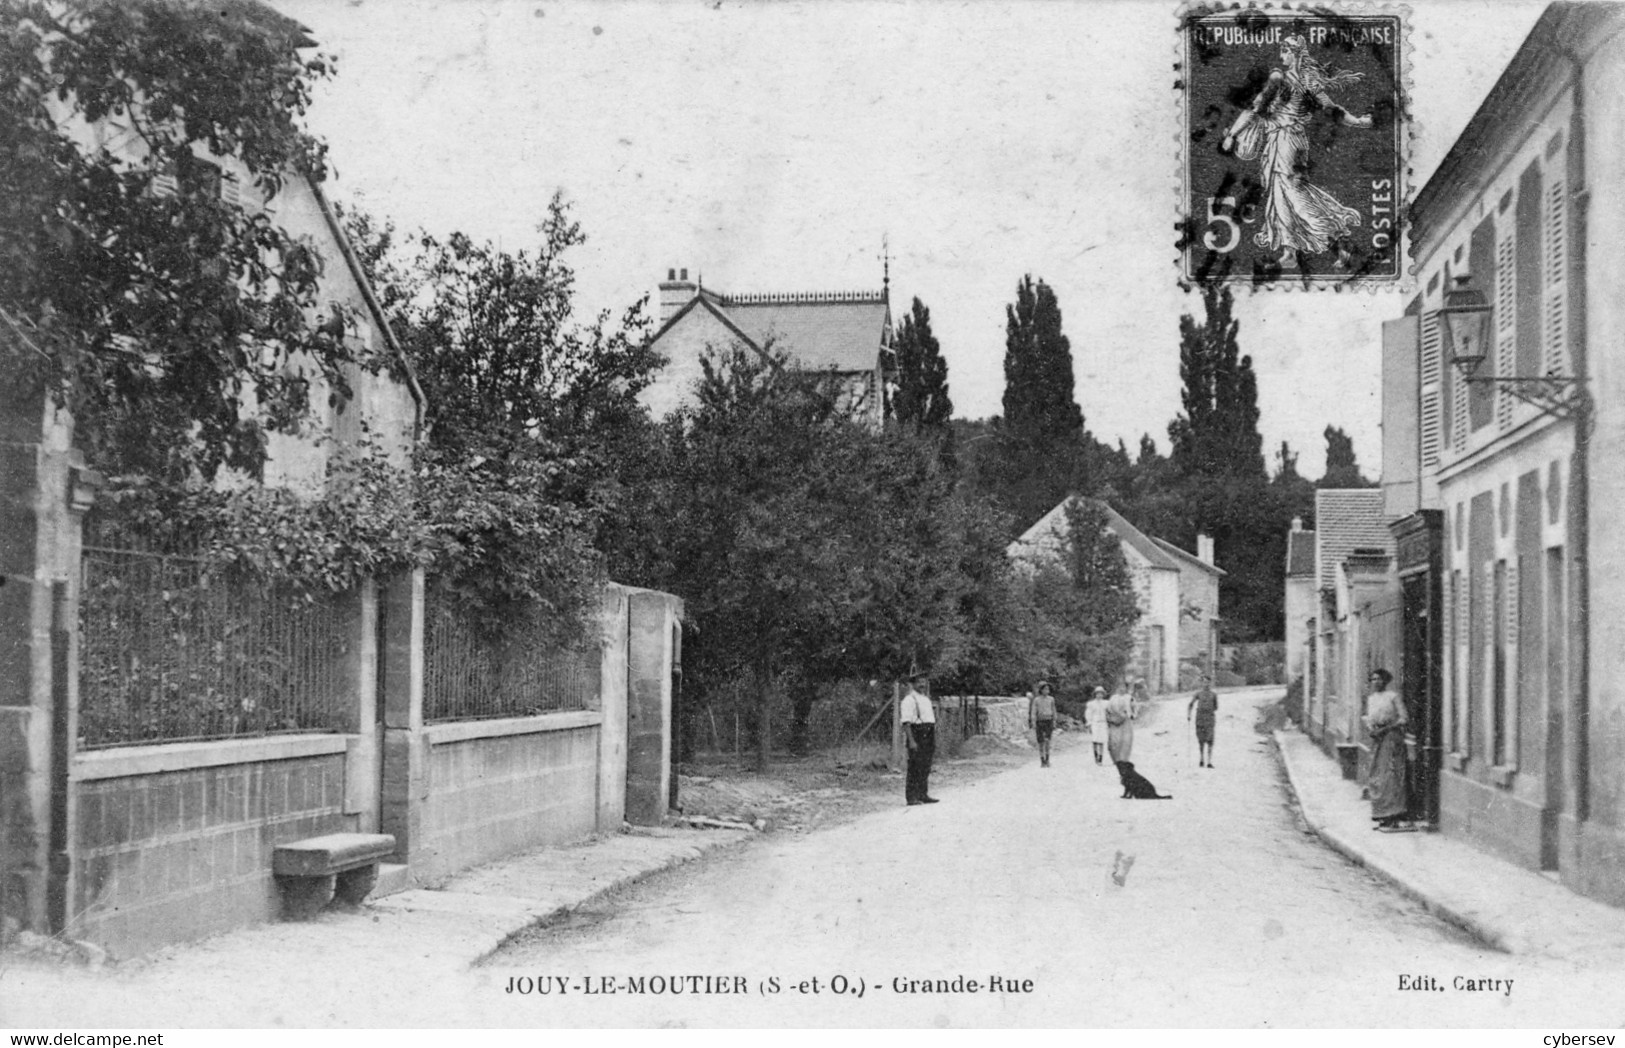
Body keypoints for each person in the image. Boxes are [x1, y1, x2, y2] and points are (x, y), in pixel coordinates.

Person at [1221, 33, 1375, 270]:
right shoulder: (1306, 80)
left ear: (1292, 54)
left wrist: (1232, 134)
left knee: (1294, 194)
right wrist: (1358, 121)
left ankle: (1340, 240)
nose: (1281, 55)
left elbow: (1255, 108)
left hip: (1286, 140)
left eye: (1284, 51)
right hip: (1286, 141)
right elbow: (1332, 109)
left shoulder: (1279, 79)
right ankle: (1290, 250)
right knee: (1279, 194)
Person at [1363, 668, 1409, 830]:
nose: (1376, 682)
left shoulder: (1393, 697)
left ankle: (1393, 815)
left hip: (1391, 738)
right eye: (1373, 679)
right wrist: (1371, 729)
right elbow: (1369, 718)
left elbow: (1404, 718)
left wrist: (1387, 729)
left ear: (1386, 681)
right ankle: (1382, 815)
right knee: (1377, 776)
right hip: (1378, 739)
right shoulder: (1371, 699)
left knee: (1390, 775)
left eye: (1379, 679)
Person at [900, 672, 938, 806]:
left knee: (925, 765)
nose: (922, 685)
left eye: (924, 682)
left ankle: (923, 794)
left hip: (928, 733)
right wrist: (911, 740)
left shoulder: (925, 699)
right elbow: (906, 722)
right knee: (915, 765)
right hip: (917, 733)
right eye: (919, 682)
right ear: (913, 684)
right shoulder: (909, 700)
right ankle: (911, 797)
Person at [1188, 677, 1219, 768]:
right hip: (1200, 719)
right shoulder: (1198, 694)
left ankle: (1209, 761)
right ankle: (1201, 759)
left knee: (1210, 739)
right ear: (1202, 683)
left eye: (1208, 683)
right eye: (1205, 682)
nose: (1206, 684)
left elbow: (1216, 707)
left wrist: (1208, 711)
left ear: (1210, 684)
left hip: (1209, 719)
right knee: (1201, 739)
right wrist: (1189, 715)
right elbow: (1191, 704)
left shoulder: (1213, 694)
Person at [1104, 681, 1136, 765]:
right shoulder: (1113, 698)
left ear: (1126, 688)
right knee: (1114, 741)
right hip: (1114, 723)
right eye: (1119, 687)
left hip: (1125, 722)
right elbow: (1107, 709)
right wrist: (1110, 717)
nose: (1121, 689)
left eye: (1123, 687)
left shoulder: (1129, 697)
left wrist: (1131, 714)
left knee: (1125, 740)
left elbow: (1134, 708)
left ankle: (1124, 759)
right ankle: (1116, 759)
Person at [1029, 681, 1057, 767]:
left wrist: (1055, 720)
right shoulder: (1037, 700)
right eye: (1045, 689)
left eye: (1048, 689)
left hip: (1049, 720)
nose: (1047, 690)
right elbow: (1033, 711)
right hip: (1040, 721)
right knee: (1041, 742)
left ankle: (1047, 759)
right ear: (1041, 690)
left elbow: (1054, 710)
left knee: (1048, 741)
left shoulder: (1051, 699)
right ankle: (1042, 760)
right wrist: (1033, 721)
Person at [1085, 686, 1108, 765]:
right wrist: (1089, 723)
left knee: (1102, 740)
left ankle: (1100, 758)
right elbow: (1088, 714)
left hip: (1103, 723)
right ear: (1095, 694)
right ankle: (1096, 756)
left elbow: (1109, 712)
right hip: (1095, 723)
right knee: (1095, 740)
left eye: (1101, 694)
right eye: (1098, 694)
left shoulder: (1106, 703)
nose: (1099, 695)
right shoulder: (1091, 704)